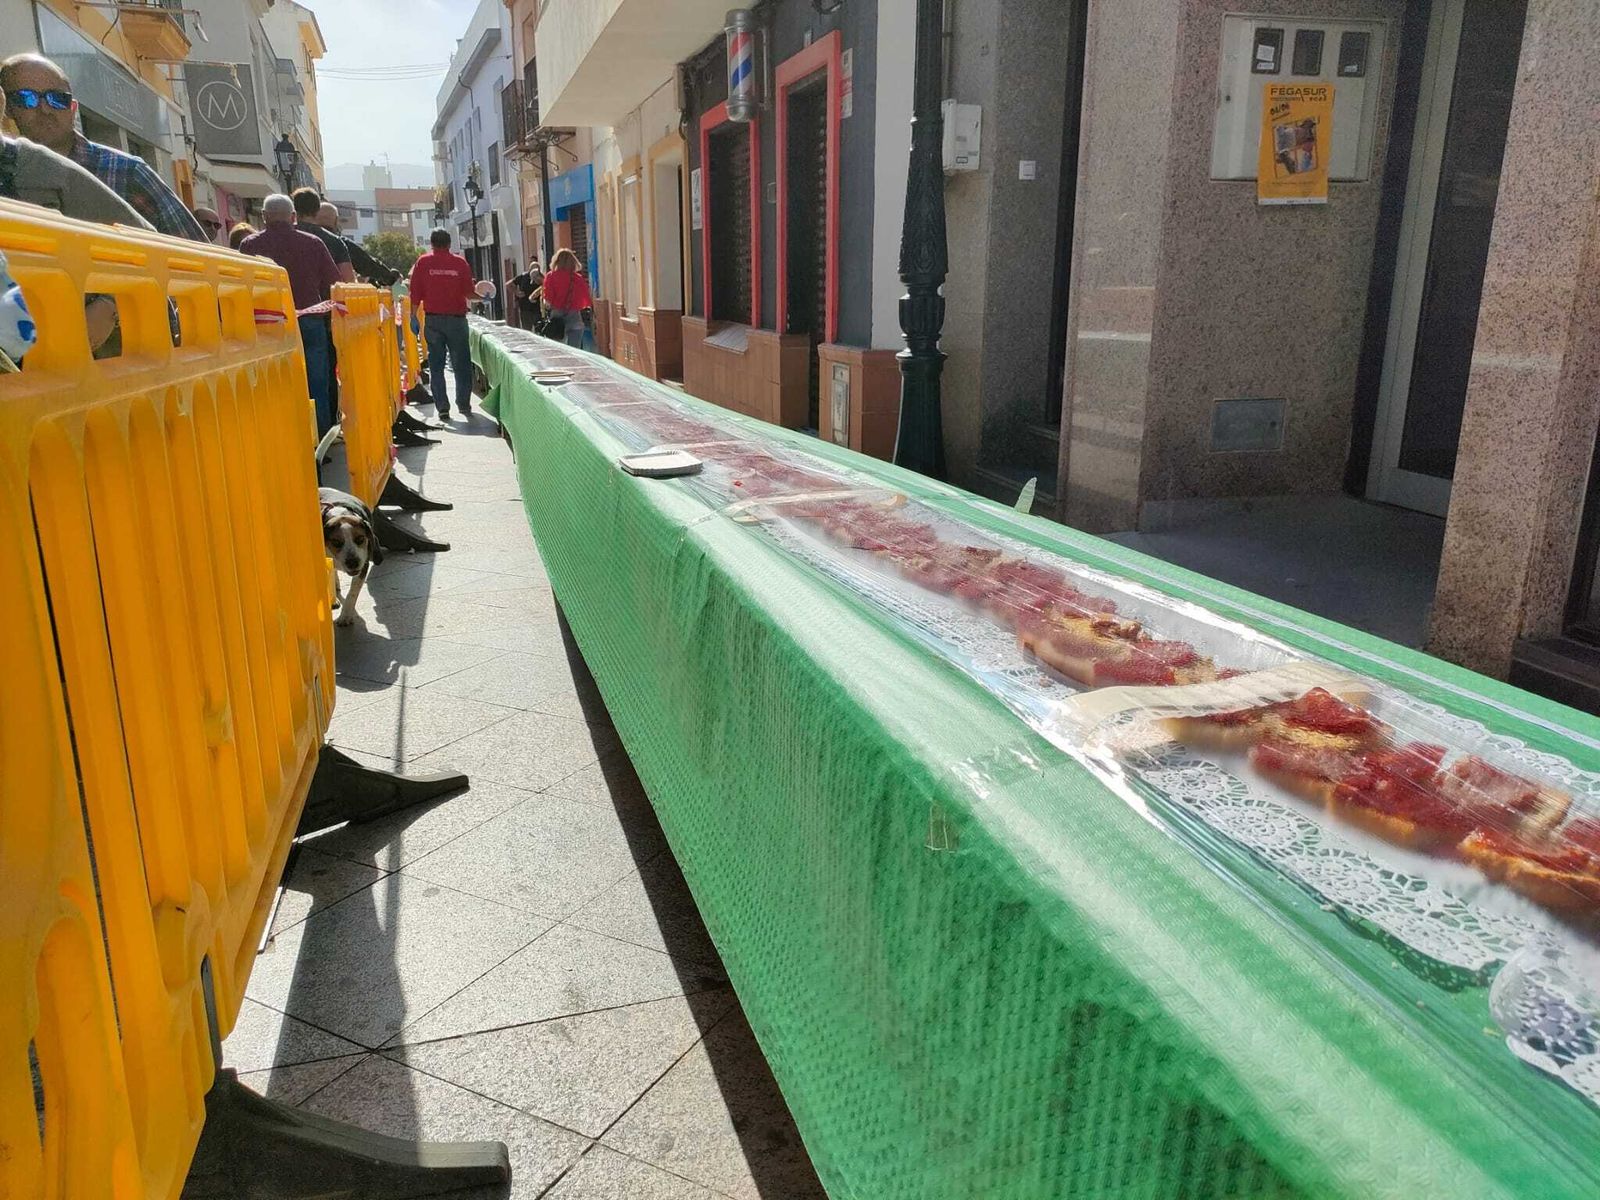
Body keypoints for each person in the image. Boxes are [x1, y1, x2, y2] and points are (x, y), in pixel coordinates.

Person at [0, 53, 208, 242]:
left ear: (73, 108)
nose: (45, 109)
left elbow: (198, 252)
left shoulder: (128, 172)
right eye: (26, 98)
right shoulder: (8, 175)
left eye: (57, 99)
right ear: (6, 108)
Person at [239, 194, 340, 435]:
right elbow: (333, 282)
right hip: (310, 320)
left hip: (267, 324)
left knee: (274, 383)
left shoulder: (250, 245)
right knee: (316, 381)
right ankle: (321, 436)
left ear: (264, 217)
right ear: (293, 217)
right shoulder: (313, 243)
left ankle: (285, 436)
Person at [407, 227, 475, 418]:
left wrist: (413, 316)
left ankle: (442, 407)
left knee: (436, 365)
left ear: (431, 243)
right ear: (449, 243)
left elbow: (415, 293)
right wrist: (484, 297)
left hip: (433, 320)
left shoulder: (423, 263)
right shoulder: (460, 263)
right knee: (461, 364)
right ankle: (463, 404)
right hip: (457, 321)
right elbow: (469, 292)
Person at [315, 201, 398, 287]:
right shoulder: (338, 242)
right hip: (332, 291)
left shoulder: (306, 237)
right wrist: (388, 277)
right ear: (336, 220)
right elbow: (366, 263)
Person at [290, 187, 355, 284]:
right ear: (317, 210)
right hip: (324, 293)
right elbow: (348, 279)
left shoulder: (281, 236)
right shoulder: (334, 241)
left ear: (294, 209)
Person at [540, 249, 591, 350]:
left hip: (557, 318)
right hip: (574, 316)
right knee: (575, 351)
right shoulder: (578, 278)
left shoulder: (551, 276)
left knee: (558, 350)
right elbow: (586, 299)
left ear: (556, 261)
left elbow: (548, 300)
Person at [509, 258, 542, 330]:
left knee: (539, 329)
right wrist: (516, 292)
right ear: (529, 270)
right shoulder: (523, 277)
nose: (535, 273)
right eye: (533, 270)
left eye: (537, 271)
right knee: (527, 329)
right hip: (525, 308)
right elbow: (509, 284)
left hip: (537, 308)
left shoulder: (541, 277)